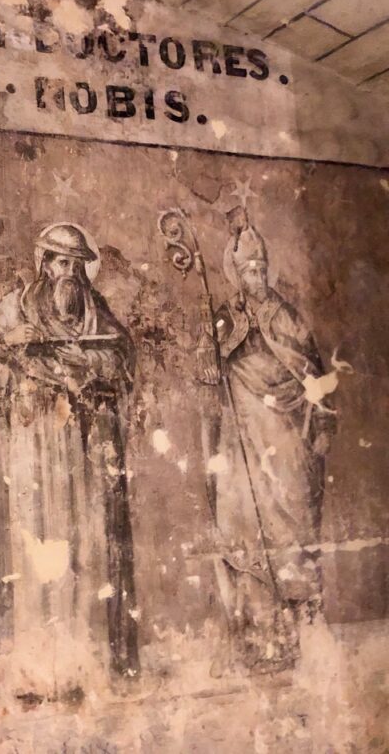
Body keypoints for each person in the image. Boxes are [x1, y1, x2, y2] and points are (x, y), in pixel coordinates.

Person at [0, 222, 138, 698]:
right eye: (60, 262)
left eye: (75, 264)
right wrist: (11, 341)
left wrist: (89, 364)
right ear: (44, 264)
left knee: (84, 541)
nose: (68, 272)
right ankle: (40, 668)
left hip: (83, 444)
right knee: (39, 539)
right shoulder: (18, 305)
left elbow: (122, 356)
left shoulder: (95, 310)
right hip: (36, 438)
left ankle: (83, 665)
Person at [197, 225, 336, 673]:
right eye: (248, 270)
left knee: (292, 528)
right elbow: (206, 363)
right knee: (246, 529)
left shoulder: (287, 316)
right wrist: (217, 351)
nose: (256, 277)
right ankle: (259, 640)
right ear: (237, 275)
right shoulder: (225, 315)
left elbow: (313, 371)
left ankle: (302, 636)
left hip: (287, 436)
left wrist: (321, 421)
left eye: (261, 269)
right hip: (243, 441)